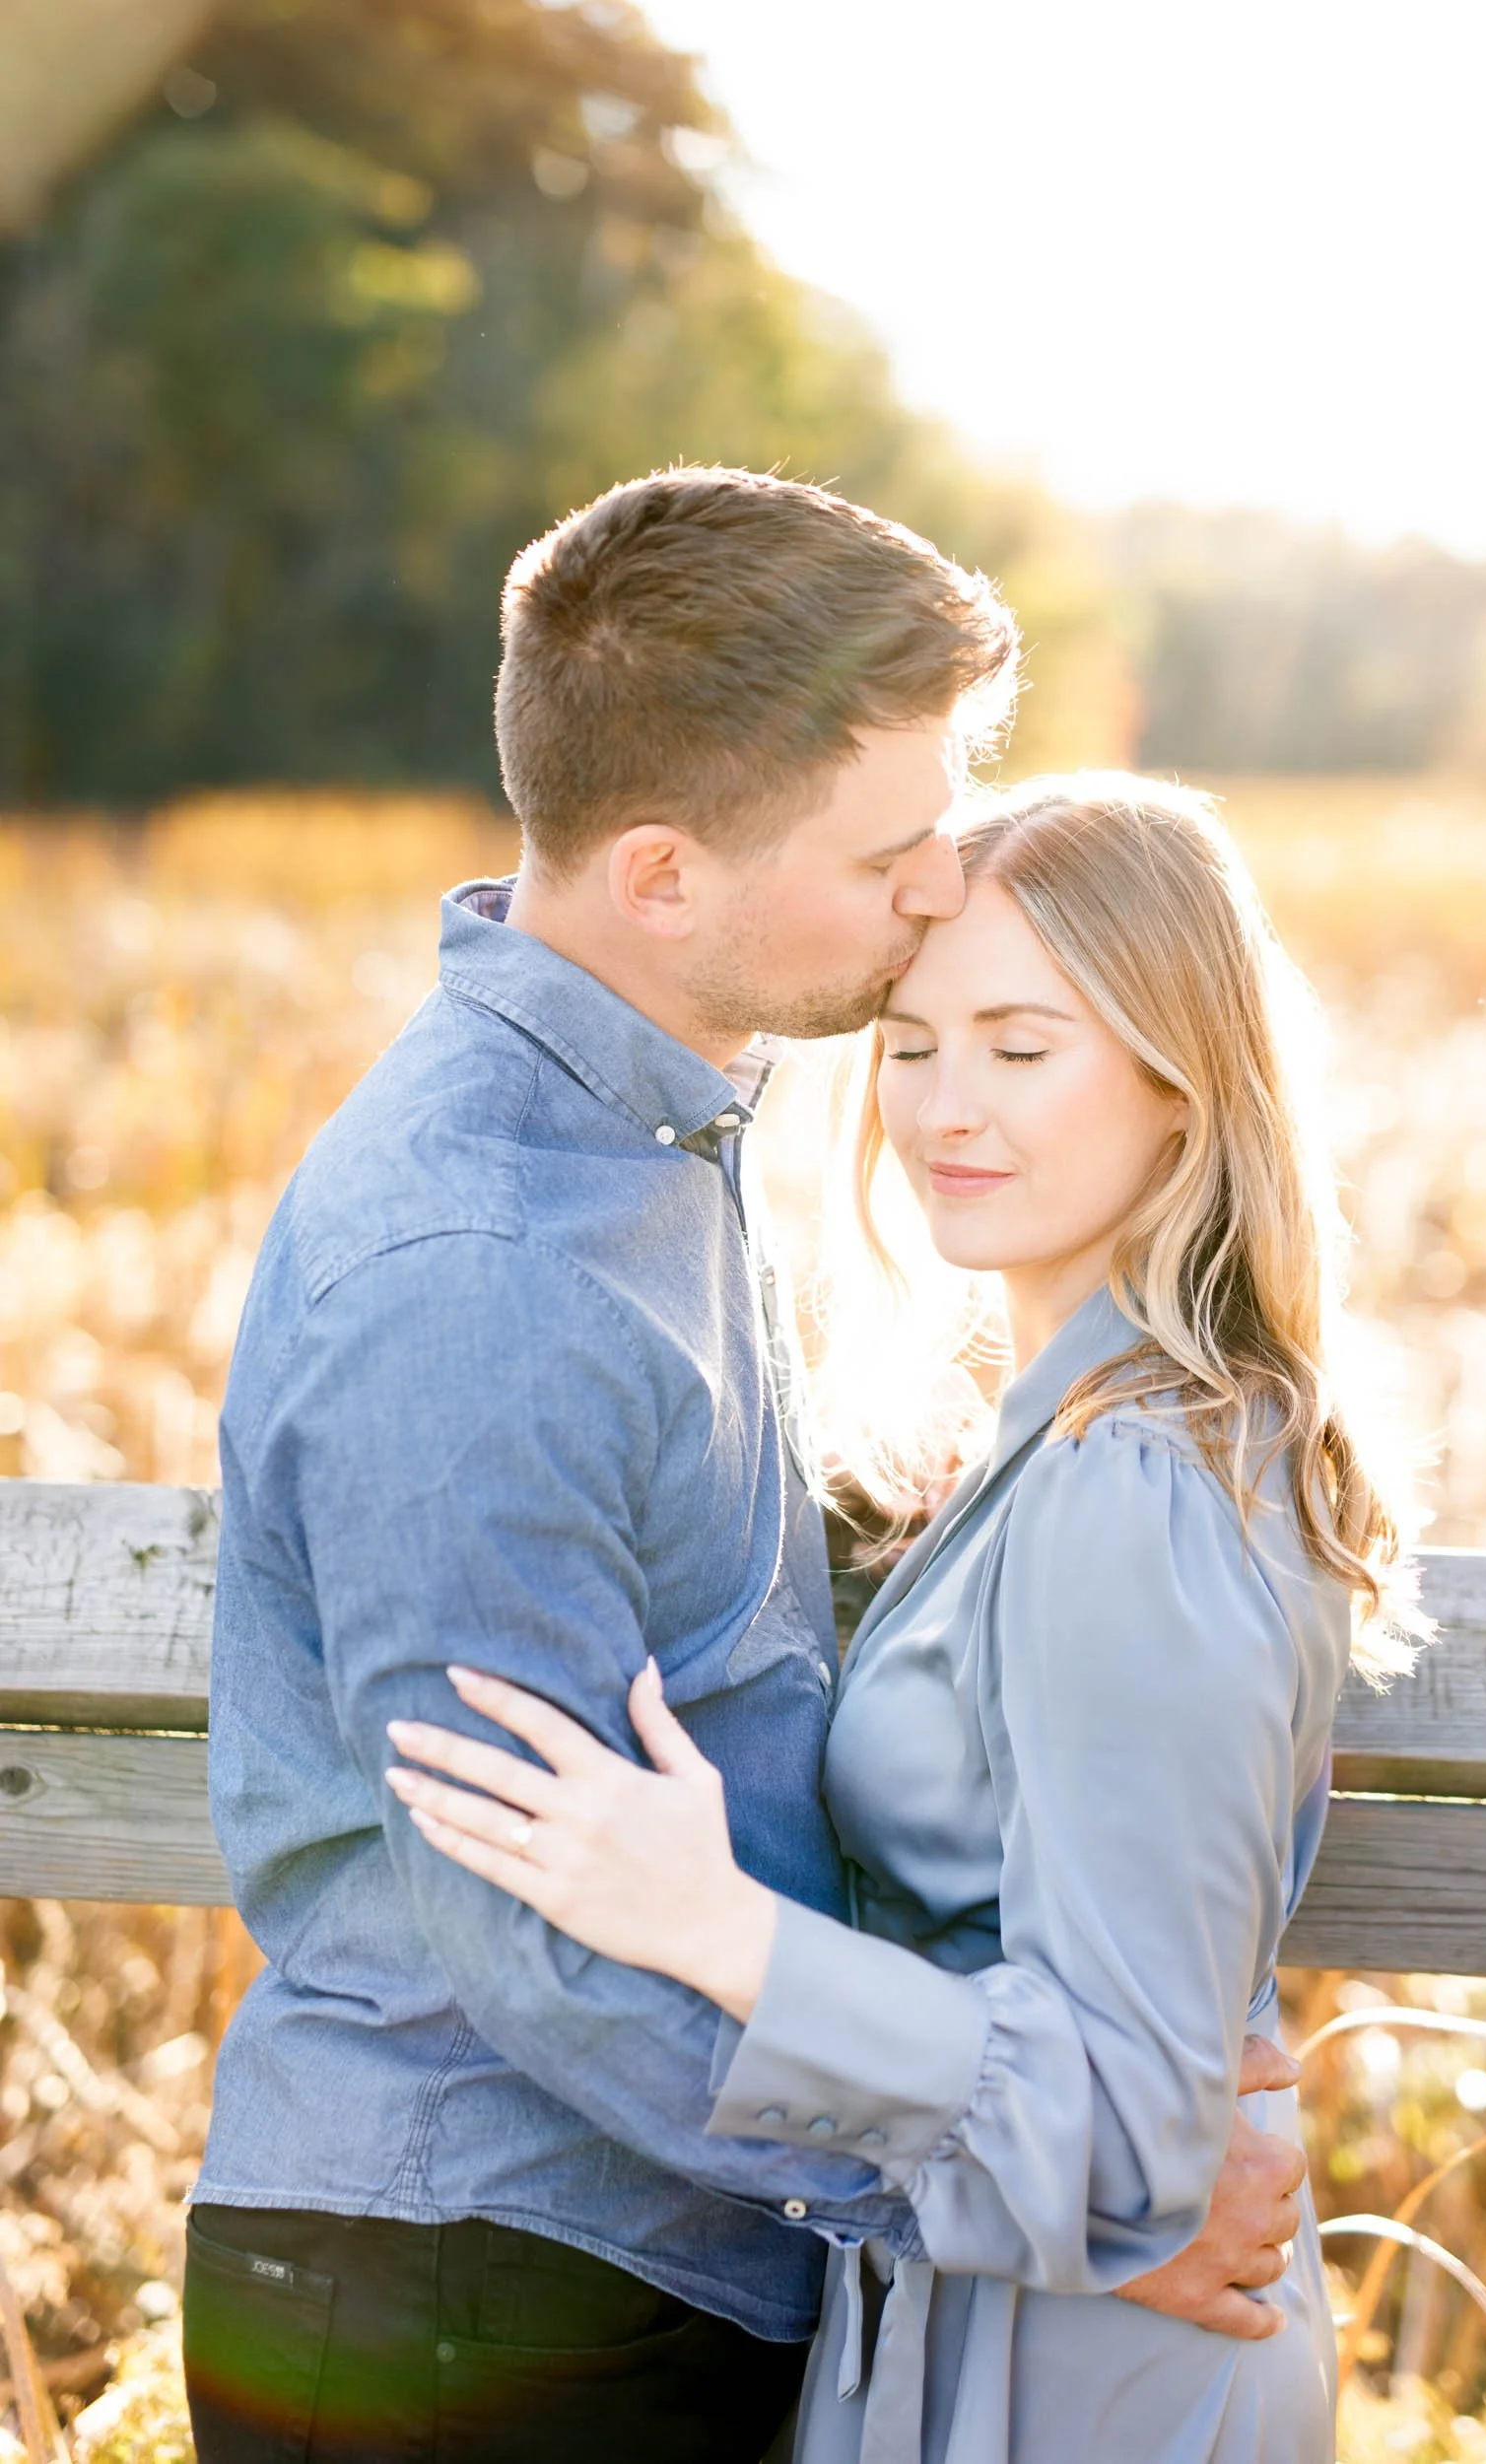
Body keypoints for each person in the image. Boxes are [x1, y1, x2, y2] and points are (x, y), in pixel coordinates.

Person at [185, 477, 1309, 2464]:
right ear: (662, 874)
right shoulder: (490, 1267)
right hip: (486, 2295)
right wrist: (1064, 2201)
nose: (940, 878)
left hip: (617, 2269)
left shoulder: (643, 1151)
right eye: (891, 846)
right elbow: (528, 1926)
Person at [385, 775, 1423, 2463]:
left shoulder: (1136, 1487)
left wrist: (708, 1924)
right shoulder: (1050, 1445)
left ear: (1182, 1081)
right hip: (1003, 2305)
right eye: (914, 1044)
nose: (947, 1106)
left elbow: (1132, 2132)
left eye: (1022, 1048)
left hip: (1088, 2377)